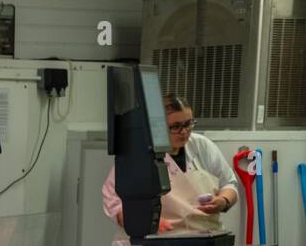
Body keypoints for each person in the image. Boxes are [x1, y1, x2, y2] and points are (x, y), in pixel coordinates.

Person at [102, 93, 239, 234]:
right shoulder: (139, 153)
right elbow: (113, 201)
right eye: (176, 126)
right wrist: (142, 221)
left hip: (205, 238)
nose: (184, 132)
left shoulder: (201, 146)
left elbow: (229, 183)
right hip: (155, 242)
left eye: (188, 124)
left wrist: (223, 200)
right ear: (157, 128)